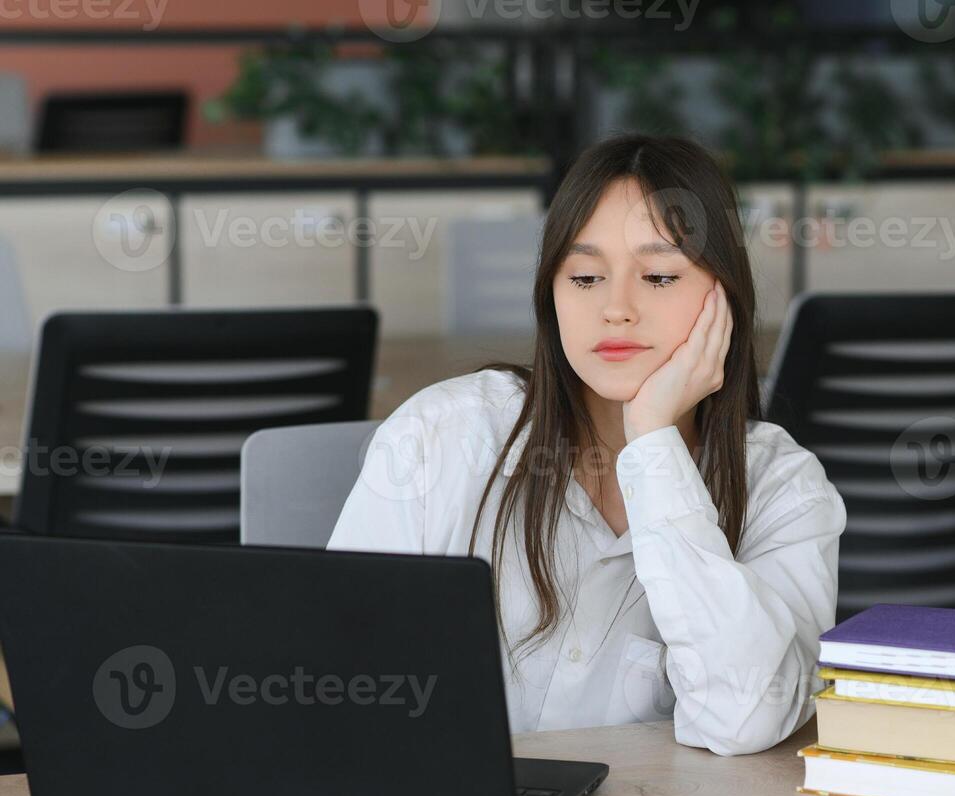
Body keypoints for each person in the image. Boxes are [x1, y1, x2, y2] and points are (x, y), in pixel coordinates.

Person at [328, 134, 846, 756]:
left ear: (724, 298)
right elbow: (337, 687)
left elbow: (745, 720)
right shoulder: (445, 437)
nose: (616, 308)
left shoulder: (781, 487)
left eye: (658, 276)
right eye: (585, 277)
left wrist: (653, 440)